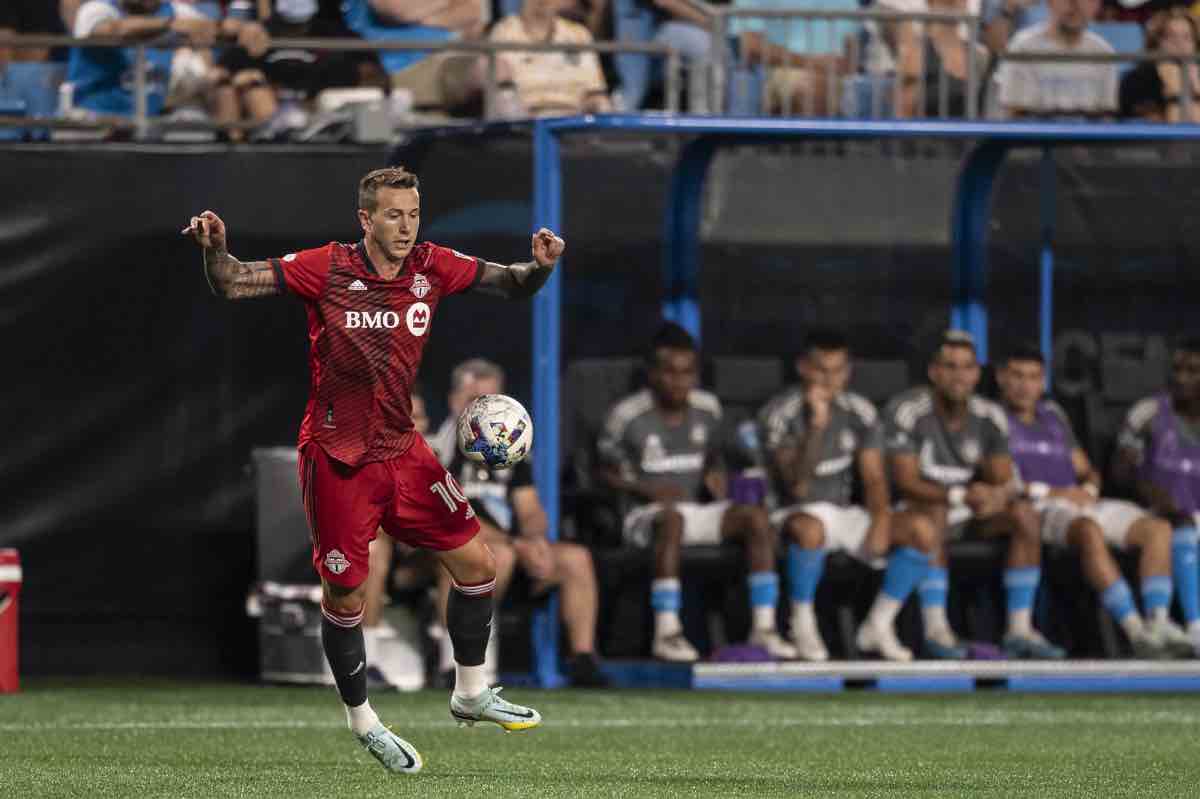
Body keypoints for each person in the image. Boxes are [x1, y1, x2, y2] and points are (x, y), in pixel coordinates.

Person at [182, 165, 562, 774]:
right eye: (393, 214)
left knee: (478, 564)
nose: (406, 226)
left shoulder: (432, 266)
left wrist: (540, 265)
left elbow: (512, 283)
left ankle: (469, 693)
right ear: (366, 219)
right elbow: (231, 282)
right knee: (346, 595)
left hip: (401, 449)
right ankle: (363, 721)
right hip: (336, 456)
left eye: (413, 214)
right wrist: (216, 250)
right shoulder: (326, 266)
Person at [598, 322, 797, 663]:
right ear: (652, 373)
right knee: (672, 520)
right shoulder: (626, 415)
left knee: (755, 517)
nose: (679, 381)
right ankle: (668, 631)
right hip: (644, 517)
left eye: (688, 372)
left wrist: (715, 474)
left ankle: (764, 628)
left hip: (695, 509)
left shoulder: (708, 408)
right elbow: (602, 473)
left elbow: (716, 456)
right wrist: (646, 489)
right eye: (670, 372)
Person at [997, 344, 1189, 657]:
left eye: (1033, 377)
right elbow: (1001, 481)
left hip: (1080, 501)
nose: (1025, 385)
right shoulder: (993, 417)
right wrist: (1056, 494)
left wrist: (1089, 488)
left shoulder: (1054, 416)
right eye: (1017, 376)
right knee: (1088, 529)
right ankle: (1136, 631)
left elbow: (1085, 468)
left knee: (1158, 529)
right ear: (1002, 378)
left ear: (1042, 380)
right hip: (1038, 507)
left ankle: (1158, 622)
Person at [884, 330, 1065, 659]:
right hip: (918, 512)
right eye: (950, 366)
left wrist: (995, 496)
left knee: (1024, 514)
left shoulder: (988, 414)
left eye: (967, 367)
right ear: (934, 372)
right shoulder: (908, 409)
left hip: (968, 511)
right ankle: (937, 630)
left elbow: (1002, 476)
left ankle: (1019, 629)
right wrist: (958, 496)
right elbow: (905, 481)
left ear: (977, 374)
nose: (959, 376)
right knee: (933, 509)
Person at [429, 358, 608, 687]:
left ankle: (583, 660)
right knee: (498, 555)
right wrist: (516, 544)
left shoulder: (507, 451)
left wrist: (536, 537)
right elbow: (449, 516)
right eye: (475, 402)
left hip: (509, 548)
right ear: (455, 402)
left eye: (491, 403)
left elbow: (528, 509)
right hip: (445, 552)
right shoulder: (438, 449)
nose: (485, 413)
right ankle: (455, 661)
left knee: (575, 559)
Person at [759, 329, 937, 662]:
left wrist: (881, 519)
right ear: (803, 368)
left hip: (841, 513)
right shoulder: (780, 413)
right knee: (809, 528)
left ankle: (878, 625)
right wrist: (817, 424)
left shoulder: (860, 410)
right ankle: (802, 622)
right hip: (789, 513)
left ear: (849, 371)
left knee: (922, 530)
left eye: (838, 370)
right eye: (820, 370)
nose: (829, 379)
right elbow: (797, 486)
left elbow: (873, 477)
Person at [1113, 336, 1200, 657]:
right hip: (1161, 513)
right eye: (1177, 369)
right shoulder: (1148, 412)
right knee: (1183, 527)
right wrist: (1153, 494)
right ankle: (1195, 626)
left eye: (1193, 371)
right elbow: (1121, 473)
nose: (1182, 378)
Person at [995, 0, 1117, 119]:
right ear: (1050, 2)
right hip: (1035, 137)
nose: (1075, 5)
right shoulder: (1022, 47)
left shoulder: (1104, 52)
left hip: (1088, 138)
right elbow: (1013, 113)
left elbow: (1106, 116)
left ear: (1097, 5)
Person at [488, 0, 612, 116]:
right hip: (525, 127)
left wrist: (598, 105)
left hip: (574, 124)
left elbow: (594, 92)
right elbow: (503, 96)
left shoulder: (579, 35)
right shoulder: (502, 34)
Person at [1119, 9, 1200, 123]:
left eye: (1187, 37)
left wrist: (1196, 88)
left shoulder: (1197, 77)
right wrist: (1174, 89)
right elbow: (1173, 131)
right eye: (1171, 36)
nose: (1179, 43)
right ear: (1156, 42)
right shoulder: (1136, 79)